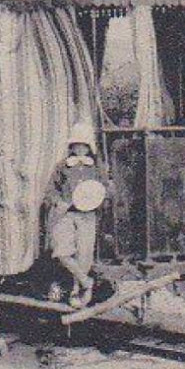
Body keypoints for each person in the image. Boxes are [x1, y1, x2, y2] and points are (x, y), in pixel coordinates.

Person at [44, 124, 110, 308]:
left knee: (84, 255)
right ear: (71, 147)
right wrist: (58, 201)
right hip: (67, 215)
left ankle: (77, 290)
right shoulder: (63, 166)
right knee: (62, 251)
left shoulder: (96, 167)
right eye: (76, 145)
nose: (80, 149)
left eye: (84, 145)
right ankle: (85, 281)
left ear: (89, 147)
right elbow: (51, 190)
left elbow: (105, 189)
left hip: (87, 216)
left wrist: (96, 199)